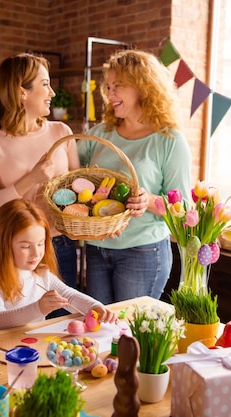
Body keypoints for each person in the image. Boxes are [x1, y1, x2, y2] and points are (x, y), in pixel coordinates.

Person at [78, 49, 192, 304]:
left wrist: (148, 200)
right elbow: (73, 177)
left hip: (143, 252)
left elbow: (183, 208)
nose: (109, 94)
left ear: (143, 86)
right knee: (102, 333)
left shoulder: (169, 141)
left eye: (117, 86)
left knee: (131, 334)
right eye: (107, 87)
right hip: (97, 248)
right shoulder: (100, 134)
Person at [0, 53, 80, 295]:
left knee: (62, 323)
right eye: (45, 84)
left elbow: (81, 194)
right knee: (21, 327)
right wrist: (31, 179)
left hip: (59, 245)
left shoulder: (61, 131)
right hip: (15, 249)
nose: (52, 92)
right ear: (22, 92)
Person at [0, 199, 118, 331]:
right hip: (4, 348)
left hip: (35, 343)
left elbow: (69, 296)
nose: (36, 253)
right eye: (25, 246)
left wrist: (95, 306)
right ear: (3, 245)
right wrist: (38, 308)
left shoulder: (41, 273)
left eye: (41, 243)